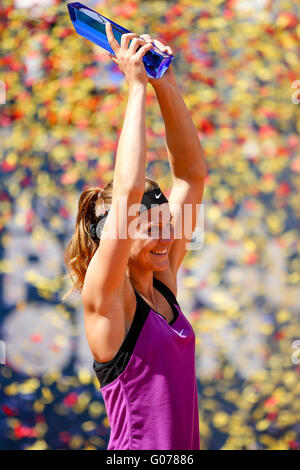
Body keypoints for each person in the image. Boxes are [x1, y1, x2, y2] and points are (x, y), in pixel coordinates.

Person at [63, 22, 206, 450]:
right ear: (120, 238)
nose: (168, 236)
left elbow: (191, 174)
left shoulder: (161, 284)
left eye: (167, 222)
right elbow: (126, 192)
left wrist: (166, 82)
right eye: (152, 228)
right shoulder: (108, 298)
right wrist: (136, 86)